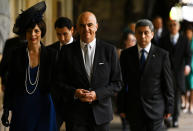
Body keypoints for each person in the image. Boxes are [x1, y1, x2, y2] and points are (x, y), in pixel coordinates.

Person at [55, 11, 122, 131]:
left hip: (101, 116)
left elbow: (117, 83)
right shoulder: (66, 51)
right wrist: (75, 92)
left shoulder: (109, 50)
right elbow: (58, 82)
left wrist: (97, 94)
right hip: (75, 116)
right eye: (82, 25)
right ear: (76, 29)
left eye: (89, 25)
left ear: (96, 26)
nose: (86, 29)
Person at [1, 1, 57, 131]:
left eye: (36, 31)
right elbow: (11, 84)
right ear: (25, 33)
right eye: (29, 31)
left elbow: (57, 83)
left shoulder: (51, 55)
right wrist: (6, 108)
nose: (33, 34)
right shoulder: (16, 54)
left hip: (45, 107)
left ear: (41, 32)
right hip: (22, 107)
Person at [119, 19, 174, 131]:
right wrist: (121, 107)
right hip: (134, 109)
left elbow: (168, 83)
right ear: (135, 34)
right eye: (139, 33)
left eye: (146, 33)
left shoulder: (162, 55)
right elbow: (122, 83)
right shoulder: (126, 55)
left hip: (156, 108)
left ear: (152, 34)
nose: (143, 36)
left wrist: (169, 107)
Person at [160, 19, 191, 127]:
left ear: (178, 27)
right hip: (166, 71)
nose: (173, 26)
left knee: (177, 95)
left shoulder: (184, 39)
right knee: (167, 94)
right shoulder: (163, 40)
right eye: (171, 25)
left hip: (179, 72)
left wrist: (187, 65)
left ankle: (175, 118)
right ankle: (168, 116)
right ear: (168, 27)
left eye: (175, 25)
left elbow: (188, 54)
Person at [48, 16, 74, 130]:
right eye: (58, 34)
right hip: (55, 102)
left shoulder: (81, 48)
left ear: (72, 30)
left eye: (65, 34)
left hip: (74, 102)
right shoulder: (49, 50)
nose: (62, 38)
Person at [116, 30, 136, 131]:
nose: (132, 43)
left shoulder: (137, 54)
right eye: (130, 40)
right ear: (125, 41)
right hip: (122, 86)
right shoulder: (120, 52)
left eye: (134, 40)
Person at [183, 25, 193, 114]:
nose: (188, 34)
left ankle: (191, 104)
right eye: (187, 32)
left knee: (192, 86)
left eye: (190, 32)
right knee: (185, 86)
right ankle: (186, 103)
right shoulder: (184, 40)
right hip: (185, 65)